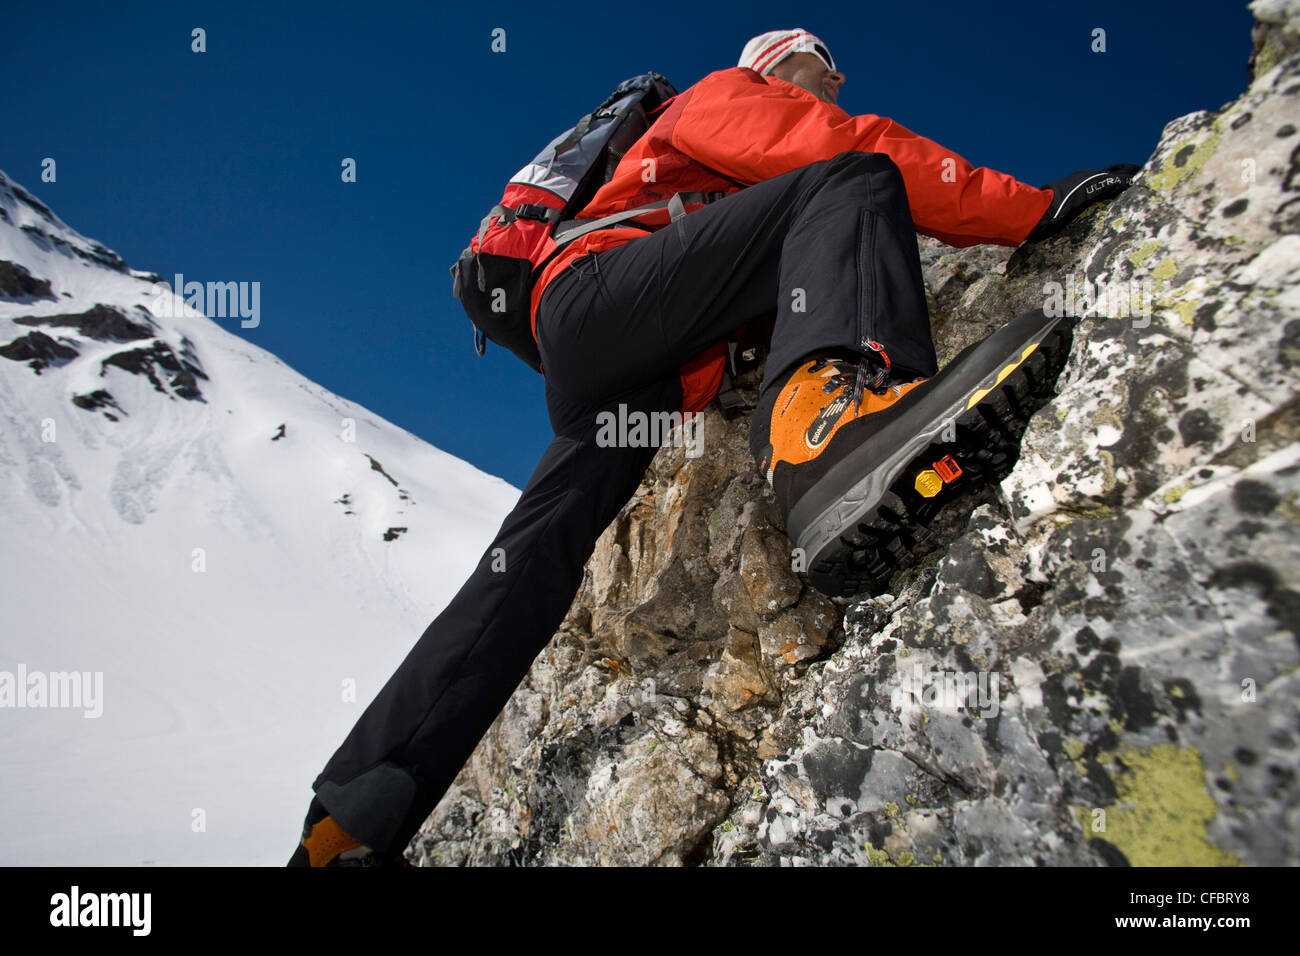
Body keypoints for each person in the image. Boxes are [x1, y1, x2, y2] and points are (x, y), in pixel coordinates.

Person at [289, 29, 1138, 866]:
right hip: (602, 295)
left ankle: (357, 816)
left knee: (534, 556)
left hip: (620, 363)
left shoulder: (705, 183)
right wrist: (1028, 207)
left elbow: (758, 267)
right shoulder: (726, 93)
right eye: (823, 67)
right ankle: (829, 434)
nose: (836, 84)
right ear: (774, 66)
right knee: (852, 177)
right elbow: (840, 144)